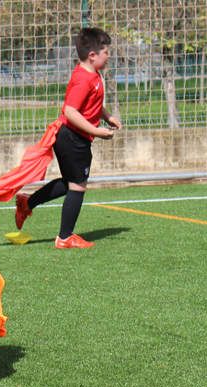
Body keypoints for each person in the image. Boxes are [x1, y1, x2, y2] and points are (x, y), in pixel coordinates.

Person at [13, 27, 122, 248]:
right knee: (78, 186)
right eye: (106, 52)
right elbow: (71, 111)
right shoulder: (84, 78)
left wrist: (107, 116)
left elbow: (92, 104)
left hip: (73, 138)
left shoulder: (93, 74)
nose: (109, 55)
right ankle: (64, 237)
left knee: (69, 182)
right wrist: (96, 131)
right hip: (73, 138)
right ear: (92, 55)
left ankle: (28, 203)